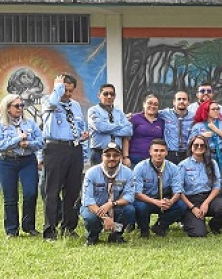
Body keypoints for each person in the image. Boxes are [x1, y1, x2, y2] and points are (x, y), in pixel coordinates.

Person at [42, 74, 88, 241]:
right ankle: (49, 230)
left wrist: (84, 135)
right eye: (64, 89)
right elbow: (54, 102)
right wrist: (58, 87)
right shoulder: (49, 100)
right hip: (55, 149)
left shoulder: (75, 105)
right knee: (52, 191)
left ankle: (69, 227)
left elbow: (79, 124)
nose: (66, 94)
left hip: (74, 148)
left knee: (73, 190)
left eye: (70, 90)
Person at [0, 94, 43, 237]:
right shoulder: (1, 125)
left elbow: (41, 142)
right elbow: (1, 145)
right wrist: (18, 139)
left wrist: (29, 143)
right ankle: (12, 230)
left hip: (27, 161)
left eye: (22, 105)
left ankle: (28, 226)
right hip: (7, 161)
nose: (20, 108)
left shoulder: (30, 123)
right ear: (7, 108)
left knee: (31, 193)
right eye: (17, 106)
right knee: (10, 196)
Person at [79, 142, 134, 245]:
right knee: (90, 217)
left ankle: (116, 235)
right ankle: (92, 237)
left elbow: (129, 196)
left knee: (129, 210)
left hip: (115, 205)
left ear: (121, 157)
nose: (111, 158)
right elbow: (87, 199)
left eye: (116, 155)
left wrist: (111, 204)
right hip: (95, 207)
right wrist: (105, 217)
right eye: (108, 155)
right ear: (102, 157)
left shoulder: (128, 172)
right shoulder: (91, 172)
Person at [179, 136, 222, 237]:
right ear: (191, 147)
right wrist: (193, 207)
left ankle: (214, 226)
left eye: (202, 145)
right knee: (199, 234)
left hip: (209, 197)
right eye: (196, 145)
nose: (199, 147)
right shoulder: (183, 165)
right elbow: (179, 190)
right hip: (191, 200)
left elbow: (217, 186)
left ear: (206, 147)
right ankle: (189, 222)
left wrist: (206, 203)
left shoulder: (212, 163)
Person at [132, 139, 186, 238]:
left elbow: (178, 190)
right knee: (139, 206)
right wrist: (155, 202)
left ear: (166, 152)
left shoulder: (173, 168)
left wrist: (171, 201)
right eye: (156, 150)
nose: (158, 154)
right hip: (146, 199)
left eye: (162, 151)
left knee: (181, 205)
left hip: (165, 199)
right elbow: (137, 193)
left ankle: (160, 226)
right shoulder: (140, 167)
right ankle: (144, 230)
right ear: (150, 152)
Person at [190, 101, 222, 184]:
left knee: (221, 179)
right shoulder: (198, 126)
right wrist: (202, 136)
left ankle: (219, 196)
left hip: (220, 156)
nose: (216, 111)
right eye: (213, 109)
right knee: (207, 181)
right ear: (206, 111)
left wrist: (216, 130)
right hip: (205, 156)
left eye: (218, 109)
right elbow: (190, 142)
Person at [86, 84, 132, 166]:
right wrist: (120, 125)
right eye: (105, 94)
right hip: (99, 153)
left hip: (117, 153)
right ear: (99, 95)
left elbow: (129, 131)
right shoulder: (93, 111)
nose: (109, 96)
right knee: (98, 178)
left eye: (112, 94)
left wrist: (109, 130)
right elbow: (101, 127)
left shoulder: (119, 113)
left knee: (116, 178)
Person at [127, 94, 164, 167]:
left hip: (154, 160)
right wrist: (126, 157)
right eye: (149, 103)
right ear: (144, 104)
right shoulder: (135, 118)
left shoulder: (161, 121)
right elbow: (126, 139)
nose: (152, 106)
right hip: (135, 158)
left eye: (155, 104)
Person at [159, 91, 194, 164]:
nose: (181, 101)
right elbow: (149, 113)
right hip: (170, 154)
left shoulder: (194, 117)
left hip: (187, 154)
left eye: (184, 99)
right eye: (179, 99)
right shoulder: (165, 113)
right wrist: (130, 116)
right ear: (174, 102)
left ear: (188, 102)